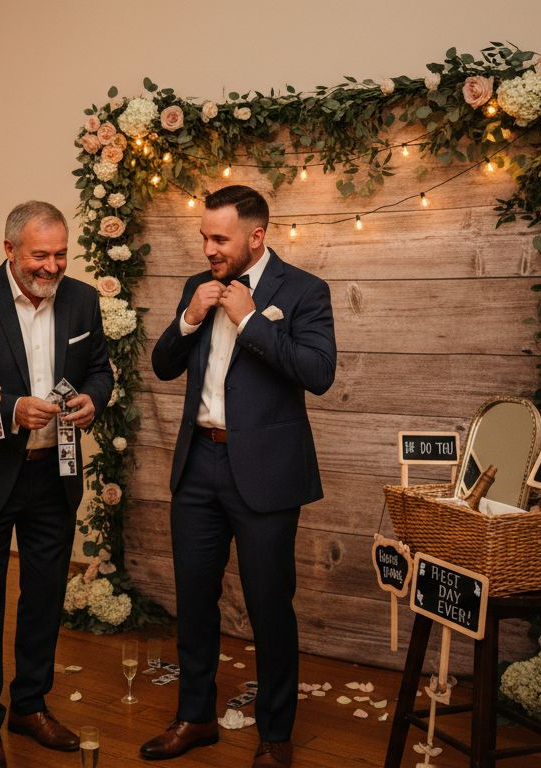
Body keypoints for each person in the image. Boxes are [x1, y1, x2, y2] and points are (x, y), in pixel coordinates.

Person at [141, 185, 337, 768]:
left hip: (266, 472)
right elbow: (162, 364)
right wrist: (190, 316)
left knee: (269, 605)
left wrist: (251, 321)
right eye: (203, 236)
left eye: (219, 238)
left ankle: (275, 736)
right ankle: (195, 717)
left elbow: (318, 372)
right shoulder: (194, 288)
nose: (207, 248)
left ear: (257, 236)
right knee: (194, 600)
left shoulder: (304, 291)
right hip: (198, 462)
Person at [0, 201, 113, 768]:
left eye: (61, 254)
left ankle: (30, 706)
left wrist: (94, 400)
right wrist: (11, 409)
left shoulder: (83, 299)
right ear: (9, 250)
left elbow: (101, 370)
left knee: (43, 597)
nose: (53, 266)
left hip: (55, 473)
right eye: (40, 255)